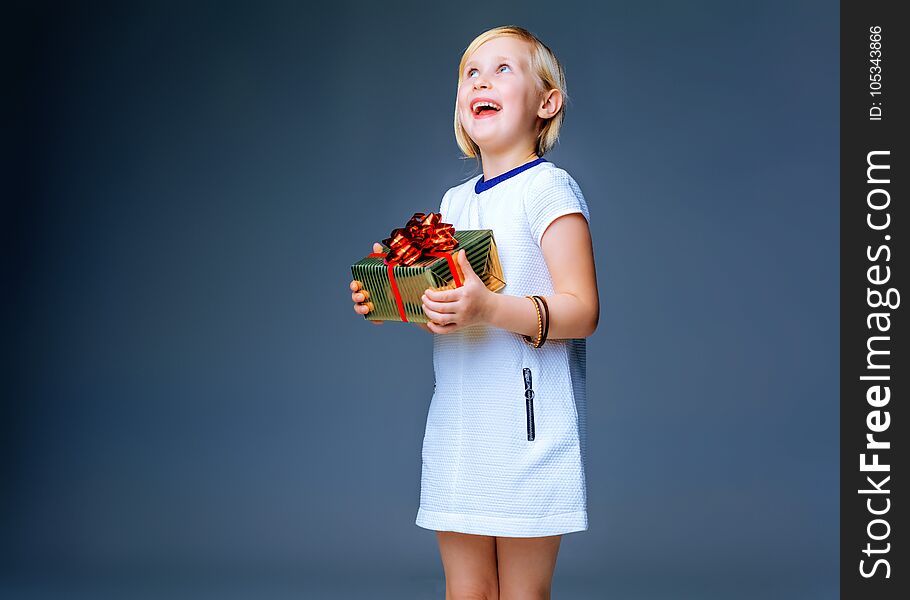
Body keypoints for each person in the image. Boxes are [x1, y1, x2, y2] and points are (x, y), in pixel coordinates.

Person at [349, 25, 599, 600]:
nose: (481, 80)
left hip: (528, 428)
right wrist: (390, 293)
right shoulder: (455, 203)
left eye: (503, 69)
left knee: (522, 594)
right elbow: (453, 302)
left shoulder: (550, 191)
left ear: (547, 102)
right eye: (470, 73)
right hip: (460, 426)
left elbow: (581, 309)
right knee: (465, 590)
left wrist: (488, 306)